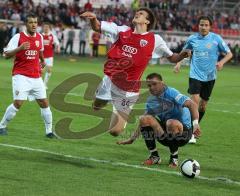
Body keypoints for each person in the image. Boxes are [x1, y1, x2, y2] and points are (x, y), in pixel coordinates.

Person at [80, 8, 190, 137]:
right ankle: (103, 101)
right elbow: (97, 26)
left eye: (141, 14)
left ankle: (120, 113)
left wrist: (183, 55)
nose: (137, 14)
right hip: (109, 80)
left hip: (128, 90)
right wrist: (93, 19)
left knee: (115, 131)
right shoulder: (122, 31)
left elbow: (172, 57)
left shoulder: (155, 40)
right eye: (137, 13)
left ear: (147, 21)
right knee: (97, 106)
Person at [117, 73, 201, 167]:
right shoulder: (151, 100)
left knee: (171, 123)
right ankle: (154, 157)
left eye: (154, 84)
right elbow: (143, 123)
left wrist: (196, 124)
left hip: (183, 135)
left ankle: (174, 158)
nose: (152, 87)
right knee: (144, 118)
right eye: (149, 85)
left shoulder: (172, 93)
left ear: (162, 83)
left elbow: (192, 104)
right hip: (166, 134)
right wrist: (132, 139)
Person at [173, 16, 232, 144]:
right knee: (194, 101)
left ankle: (195, 127)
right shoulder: (192, 39)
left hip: (210, 77)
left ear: (210, 26)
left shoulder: (216, 39)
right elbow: (184, 52)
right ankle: (191, 132)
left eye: (206, 25)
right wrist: (178, 63)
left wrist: (221, 62)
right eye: (201, 25)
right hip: (195, 75)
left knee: (203, 105)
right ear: (198, 26)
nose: (203, 27)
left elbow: (229, 54)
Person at [0, 13, 55, 138]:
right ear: (26, 24)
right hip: (21, 76)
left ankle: (49, 131)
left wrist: (42, 61)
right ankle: (1, 126)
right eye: (31, 22)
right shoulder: (18, 37)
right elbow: (6, 55)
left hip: (36, 76)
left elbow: (40, 51)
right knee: (18, 103)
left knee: (44, 102)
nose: (34, 25)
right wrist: (19, 48)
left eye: (35, 22)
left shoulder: (40, 37)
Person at [41, 22, 60, 89]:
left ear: (49, 28)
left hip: (49, 56)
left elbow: (57, 43)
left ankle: (44, 84)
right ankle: (38, 84)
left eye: (47, 27)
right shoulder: (40, 35)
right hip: (41, 56)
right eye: (45, 27)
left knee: (49, 70)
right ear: (43, 28)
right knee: (41, 71)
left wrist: (58, 48)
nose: (46, 28)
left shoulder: (52, 35)